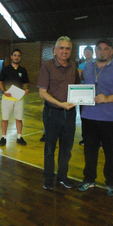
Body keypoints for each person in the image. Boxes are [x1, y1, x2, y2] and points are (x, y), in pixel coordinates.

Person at [78, 39, 113, 196]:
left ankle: (111, 183)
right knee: (89, 151)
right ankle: (89, 179)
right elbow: (82, 85)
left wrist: (107, 98)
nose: (102, 51)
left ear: (111, 51)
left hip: (110, 119)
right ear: (95, 50)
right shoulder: (87, 66)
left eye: (106, 49)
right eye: (99, 49)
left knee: (111, 153)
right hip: (88, 116)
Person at [37, 36, 81, 190]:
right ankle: (48, 178)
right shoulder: (47, 67)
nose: (64, 51)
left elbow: (77, 88)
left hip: (69, 114)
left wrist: (82, 98)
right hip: (52, 113)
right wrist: (60, 104)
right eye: (61, 48)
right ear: (55, 50)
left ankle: (62, 176)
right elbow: (42, 93)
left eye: (67, 48)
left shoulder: (73, 66)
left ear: (71, 51)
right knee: (49, 148)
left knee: (66, 148)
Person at [0, 49, 29, 146]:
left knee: (19, 119)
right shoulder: (5, 69)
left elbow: (25, 83)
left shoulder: (23, 70)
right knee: (5, 119)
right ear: (11, 56)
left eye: (18, 56)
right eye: (15, 55)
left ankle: (19, 137)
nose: (17, 57)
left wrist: (26, 90)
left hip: (19, 99)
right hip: (7, 99)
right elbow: (0, 82)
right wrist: (4, 91)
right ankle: (3, 137)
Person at [78, 45, 94, 145]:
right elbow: (79, 78)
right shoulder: (81, 66)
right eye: (86, 52)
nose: (87, 53)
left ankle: (97, 139)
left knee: (95, 116)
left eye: (89, 51)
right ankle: (85, 137)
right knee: (83, 115)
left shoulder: (97, 64)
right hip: (83, 92)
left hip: (93, 92)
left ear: (92, 53)